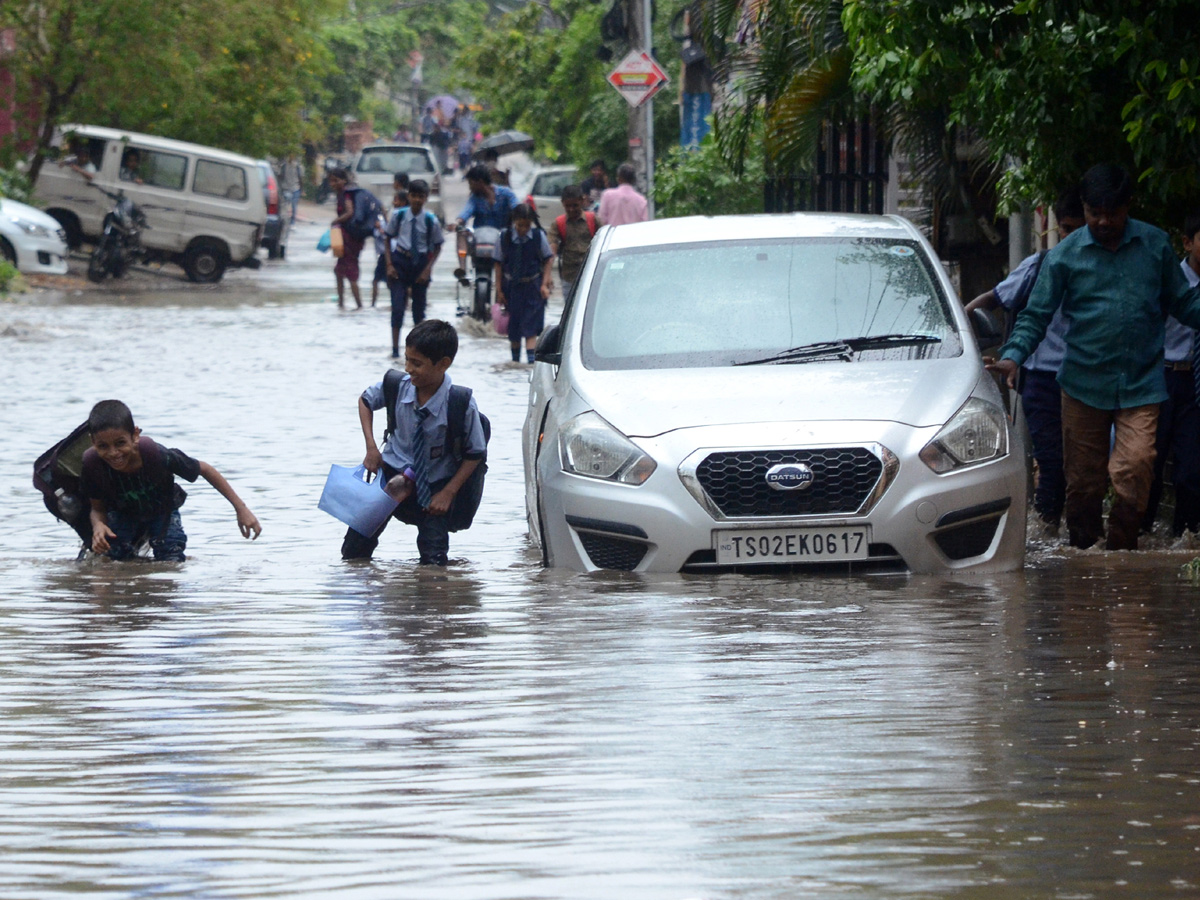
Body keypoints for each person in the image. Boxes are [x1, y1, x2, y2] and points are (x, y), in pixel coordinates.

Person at [988, 164, 1200, 551]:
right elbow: (1036, 315)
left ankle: (1121, 552)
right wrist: (1013, 356)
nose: (1103, 221)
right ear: (1084, 209)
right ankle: (1086, 560)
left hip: (1141, 386)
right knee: (1083, 486)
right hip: (1083, 386)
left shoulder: (1154, 247)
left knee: (1134, 470)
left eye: (1112, 213)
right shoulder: (1065, 256)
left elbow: (1185, 302)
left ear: (1128, 207)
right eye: (1094, 213)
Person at [966, 190, 1085, 533]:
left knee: (1084, 465)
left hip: (1089, 379)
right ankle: (1047, 530)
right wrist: (958, 325)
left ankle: (1078, 533)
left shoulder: (1106, 270)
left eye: (1079, 229)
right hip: (1042, 378)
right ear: (1057, 228)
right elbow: (994, 298)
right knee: (1051, 459)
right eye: (1066, 228)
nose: (1072, 236)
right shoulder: (1039, 266)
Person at [341, 320, 487, 565]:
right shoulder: (397, 387)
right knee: (353, 552)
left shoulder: (460, 403)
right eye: (406, 360)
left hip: (434, 486)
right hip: (391, 477)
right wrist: (371, 448)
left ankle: (432, 597)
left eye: (416, 363)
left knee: (434, 561)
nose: (408, 368)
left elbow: (475, 453)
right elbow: (366, 401)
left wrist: (448, 493)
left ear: (443, 364)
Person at [80, 399, 261, 562]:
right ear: (93, 443)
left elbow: (205, 469)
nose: (113, 453)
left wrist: (241, 509)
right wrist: (98, 526)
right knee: (114, 558)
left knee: (171, 557)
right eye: (103, 446)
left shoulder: (156, 455)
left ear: (135, 435)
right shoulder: (93, 465)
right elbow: (97, 508)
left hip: (162, 510)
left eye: (120, 443)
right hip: (123, 513)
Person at [1143, 211, 1200, 536]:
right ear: (1187, 243)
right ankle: (1141, 535)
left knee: (1191, 470)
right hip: (1162, 378)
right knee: (1149, 462)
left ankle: (1185, 539)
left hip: (1195, 382)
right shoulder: (1169, 281)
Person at [385, 179, 444, 358]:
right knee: (397, 306)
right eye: (414, 196)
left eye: (421, 196)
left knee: (419, 311)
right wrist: (389, 264)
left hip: (420, 264)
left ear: (426, 198)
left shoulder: (430, 220)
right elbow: (387, 238)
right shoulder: (399, 216)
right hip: (400, 261)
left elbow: (438, 246)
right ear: (408, 196)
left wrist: (428, 270)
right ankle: (395, 350)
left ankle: (418, 351)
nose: (417, 200)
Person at [495, 203, 554, 364]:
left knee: (531, 328)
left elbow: (548, 258)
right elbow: (498, 264)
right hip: (511, 289)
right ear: (514, 222)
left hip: (533, 286)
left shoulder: (537, 236)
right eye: (520, 225)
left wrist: (544, 283)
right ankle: (515, 362)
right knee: (513, 328)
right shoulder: (504, 237)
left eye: (527, 225)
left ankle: (530, 365)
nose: (523, 229)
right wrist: (498, 289)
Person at [451, 164, 519, 281]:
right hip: (479, 238)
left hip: (502, 237)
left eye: (471, 183)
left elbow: (517, 208)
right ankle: (462, 269)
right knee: (461, 231)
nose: (470, 187)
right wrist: (457, 222)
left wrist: (516, 215)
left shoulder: (506, 194)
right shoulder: (474, 198)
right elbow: (466, 212)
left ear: (480, 182)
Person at [328, 167, 365, 310]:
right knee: (339, 271)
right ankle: (341, 304)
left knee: (351, 273)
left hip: (350, 240)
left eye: (336, 181)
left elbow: (350, 212)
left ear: (344, 180)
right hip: (346, 239)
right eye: (331, 181)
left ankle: (359, 306)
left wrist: (336, 221)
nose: (333, 184)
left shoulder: (346, 195)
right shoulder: (342, 194)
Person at [552, 184, 597, 296]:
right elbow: (551, 246)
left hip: (591, 275)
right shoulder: (558, 223)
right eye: (568, 206)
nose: (571, 209)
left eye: (575, 205)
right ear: (562, 203)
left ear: (582, 201)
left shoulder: (593, 220)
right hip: (569, 277)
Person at [598, 162, 648, 226]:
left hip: (613, 235)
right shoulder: (641, 200)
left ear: (618, 178)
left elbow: (601, 219)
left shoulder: (607, 195)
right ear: (633, 180)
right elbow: (645, 223)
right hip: (634, 235)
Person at [281, 155, 304, 224]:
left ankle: (286, 220)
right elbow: (300, 178)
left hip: (287, 188)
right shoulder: (297, 166)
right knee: (293, 206)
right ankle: (291, 221)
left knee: (286, 205)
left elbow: (281, 176)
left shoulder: (284, 166)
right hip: (294, 188)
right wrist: (302, 189)